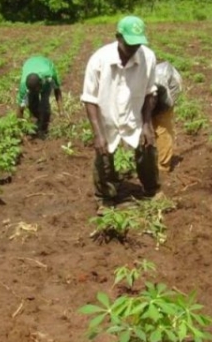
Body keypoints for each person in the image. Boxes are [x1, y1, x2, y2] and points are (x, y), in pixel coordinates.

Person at [81, 15, 160, 213]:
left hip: (135, 113)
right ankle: (105, 198)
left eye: (138, 44)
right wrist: (98, 134)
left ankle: (152, 191)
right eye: (129, 44)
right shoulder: (99, 60)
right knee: (104, 155)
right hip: (106, 116)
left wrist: (147, 123)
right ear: (118, 37)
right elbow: (90, 99)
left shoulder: (147, 57)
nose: (134, 49)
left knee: (147, 147)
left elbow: (151, 92)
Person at [16, 56, 63, 138]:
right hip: (29, 64)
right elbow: (20, 109)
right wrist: (21, 130)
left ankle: (44, 125)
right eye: (32, 91)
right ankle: (38, 118)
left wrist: (61, 111)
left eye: (37, 90)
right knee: (32, 103)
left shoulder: (49, 75)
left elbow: (57, 91)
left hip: (45, 64)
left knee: (44, 103)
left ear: (40, 84)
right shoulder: (24, 86)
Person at [153, 61, 182, 172]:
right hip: (157, 87)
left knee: (162, 127)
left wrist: (152, 113)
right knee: (149, 124)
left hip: (171, 85)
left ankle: (163, 165)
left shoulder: (160, 86)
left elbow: (166, 104)